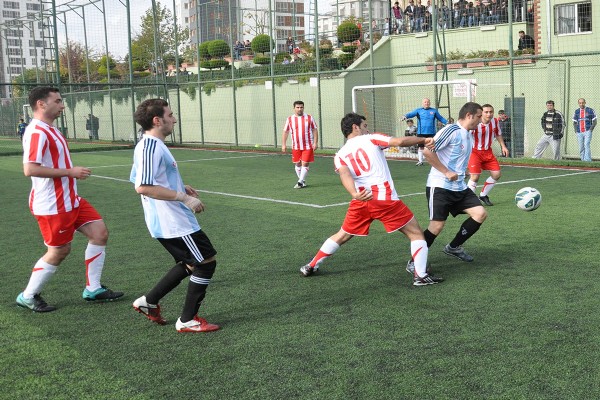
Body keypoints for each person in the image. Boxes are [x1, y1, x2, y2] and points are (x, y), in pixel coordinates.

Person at [299, 112, 443, 286]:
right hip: (384, 199)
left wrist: (354, 193)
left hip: (361, 199)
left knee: (343, 234)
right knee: (416, 234)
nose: (367, 129)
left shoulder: (340, 154)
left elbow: (344, 174)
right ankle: (420, 275)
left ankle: (311, 265)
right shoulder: (372, 138)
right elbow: (399, 142)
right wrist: (424, 139)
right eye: (365, 125)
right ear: (355, 127)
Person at [16, 86, 123, 312]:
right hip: (52, 204)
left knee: (99, 233)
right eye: (57, 101)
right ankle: (28, 295)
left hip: (70, 199)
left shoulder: (50, 129)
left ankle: (93, 289)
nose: (62, 105)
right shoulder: (36, 132)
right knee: (59, 251)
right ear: (41, 104)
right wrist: (69, 172)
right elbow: (30, 169)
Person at [130, 98, 220, 333]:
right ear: (157, 120)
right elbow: (143, 186)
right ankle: (187, 320)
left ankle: (149, 301)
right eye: (170, 115)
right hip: (173, 222)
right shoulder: (150, 145)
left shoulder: (151, 145)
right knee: (205, 262)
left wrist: (180, 186)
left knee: (191, 263)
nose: (175, 119)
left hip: (168, 220)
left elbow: (143, 179)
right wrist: (184, 198)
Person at [421, 102, 486, 263]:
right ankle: (414, 262)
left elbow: (455, 158)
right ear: (469, 115)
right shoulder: (451, 130)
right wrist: (446, 172)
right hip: (440, 186)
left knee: (480, 214)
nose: (481, 119)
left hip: (459, 187)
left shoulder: (468, 134)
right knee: (436, 227)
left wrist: (464, 171)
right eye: (479, 116)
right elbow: (427, 151)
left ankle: (453, 247)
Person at [466, 104, 509, 206]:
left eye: (491, 112)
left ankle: (483, 195)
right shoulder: (475, 122)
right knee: (475, 177)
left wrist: (503, 146)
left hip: (488, 152)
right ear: (481, 113)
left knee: (496, 174)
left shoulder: (495, 121)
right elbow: (465, 135)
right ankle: (467, 201)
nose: (489, 114)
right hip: (474, 152)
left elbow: (498, 134)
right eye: (486, 112)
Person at [281, 100, 318, 189]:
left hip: (308, 146)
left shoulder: (309, 118)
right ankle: (302, 180)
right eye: (297, 107)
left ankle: (300, 182)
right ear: (294, 108)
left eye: (301, 107)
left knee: (305, 163)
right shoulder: (290, 119)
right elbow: (285, 132)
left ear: (303, 108)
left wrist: (315, 142)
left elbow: (314, 130)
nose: (299, 109)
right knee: (297, 164)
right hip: (296, 146)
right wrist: (283, 144)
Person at [403, 98, 448, 166]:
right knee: (421, 147)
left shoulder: (434, 111)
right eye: (425, 102)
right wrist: (405, 116)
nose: (426, 103)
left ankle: (434, 161)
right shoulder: (418, 110)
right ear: (422, 103)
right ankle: (420, 161)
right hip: (421, 132)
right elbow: (411, 114)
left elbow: (440, 118)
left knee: (432, 147)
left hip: (431, 132)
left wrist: (447, 123)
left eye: (428, 102)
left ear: (429, 103)